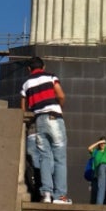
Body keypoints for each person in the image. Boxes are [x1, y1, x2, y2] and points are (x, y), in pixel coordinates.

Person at [21, 57, 70, 203]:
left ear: (29, 69)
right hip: (54, 117)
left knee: (44, 157)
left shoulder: (26, 84)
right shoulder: (51, 76)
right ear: (44, 66)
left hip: (38, 120)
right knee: (60, 158)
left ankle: (46, 194)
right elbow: (60, 95)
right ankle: (60, 195)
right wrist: (59, 107)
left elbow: (23, 108)